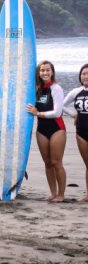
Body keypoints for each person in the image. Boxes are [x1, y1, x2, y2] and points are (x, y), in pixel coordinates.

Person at [26, 60, 66, 202]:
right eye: (42, 70)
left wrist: (38, 114)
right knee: (47, 162)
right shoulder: (36, 89)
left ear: (52, 72)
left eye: (47, 70)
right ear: (38, 73)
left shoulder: (56, 88)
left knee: (56, 162)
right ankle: (53, 193)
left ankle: (61, 194)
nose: (45, 73)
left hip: (57, 129)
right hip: (42, 129)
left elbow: (57, 112)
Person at [63, 63, 88, 201]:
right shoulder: (76, 92)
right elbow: (62, 105)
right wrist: (74, 114)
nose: (86, 76)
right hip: (81, 132)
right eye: (83, 73)